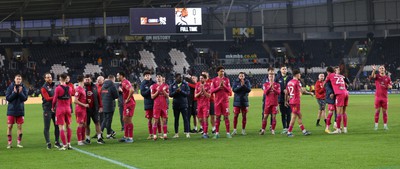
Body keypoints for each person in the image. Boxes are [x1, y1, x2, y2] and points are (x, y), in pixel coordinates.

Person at [285, 69, 313, 137]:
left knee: (299, 115)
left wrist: (286, 101)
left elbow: (286, 92)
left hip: (291, 101)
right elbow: (302, 91)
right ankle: (289, 132)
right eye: (299, 74)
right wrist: (310, 93)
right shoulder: (297, 82)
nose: (300, 75)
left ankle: (304, 131)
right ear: (297, 75)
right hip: (296, 101)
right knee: (294, 117)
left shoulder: (289, 82)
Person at [6, 74, 28, 148]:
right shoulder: (10, 87)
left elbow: (25, 98)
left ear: (21, 80)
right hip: (11, 110)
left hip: (20, 110)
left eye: (20, 79)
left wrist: (20, 93)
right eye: (17, 79)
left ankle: (18, 143)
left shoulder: (24, 87)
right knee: (9, 126)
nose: (18, 80)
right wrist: (15, 93)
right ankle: (9, 143)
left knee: (19, 126)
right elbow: (8, 98)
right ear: (14, 79)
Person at [52, 73, 73, 150]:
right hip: (68, 108)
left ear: (60, 79)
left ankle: (64, 145)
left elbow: (54, 99)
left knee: (61, 127)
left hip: (60, 109)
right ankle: (69, 144)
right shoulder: (70, 88)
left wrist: (52, 107)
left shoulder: (58, 88)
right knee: (68, 126)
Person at [325, 66, 349, 134]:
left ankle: (338, 129)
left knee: (338, 113)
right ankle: (345, 129)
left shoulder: (330, 76)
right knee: (344, 112)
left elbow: (326, 83)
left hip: (339, 94)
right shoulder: (341, 76)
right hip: (345, 93)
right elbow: (347, 83)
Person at [210, 66, 232, 139]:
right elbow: (212, 91)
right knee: (218, 117)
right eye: (221, 71)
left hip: (225, 101)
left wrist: (224, 86)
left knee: (226, 117)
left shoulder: (227, 80)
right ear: (217, 72)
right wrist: (219, 87)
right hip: (217, 102)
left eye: (223, 71)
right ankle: (217, 133)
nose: (222, 72)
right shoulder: (214, 80)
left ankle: (228, 133)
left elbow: (229, 90)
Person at [40, 73, 61, 149]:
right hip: (47, 109)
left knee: (57, 126)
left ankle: (57, 142)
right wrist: (57, 97)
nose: (49, 78)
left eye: (50, 77)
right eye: (48, 77)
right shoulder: (43, 88)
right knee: (47, 127)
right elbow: (47, 98)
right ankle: (48, 143)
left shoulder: (55, 85)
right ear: (45, 79)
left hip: (55, 109)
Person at [83, 75, 104, 144]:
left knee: (97, 123)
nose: (87, 81)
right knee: (86, 124)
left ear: (91, 80)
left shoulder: (95, 87)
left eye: (88, 79)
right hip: (86, 109)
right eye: (86, 79)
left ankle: (99, 138)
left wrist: (100, 106)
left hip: (95, 108)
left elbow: (98, 97)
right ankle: (88, 139)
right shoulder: (82, 87)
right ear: (84, 80)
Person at [370, 65, 392, 130]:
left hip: (385, 97)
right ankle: (376, 126)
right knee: (377, 111)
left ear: (384, 69)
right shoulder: (377, 76)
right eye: (380, 68)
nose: (381, 69)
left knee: (385, 112)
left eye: (382, 68)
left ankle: (385, 126)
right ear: (379, 70)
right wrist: (373, 70)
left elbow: (390, 86)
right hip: (378, 97)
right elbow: (372, 76)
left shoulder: (387, 78)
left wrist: (389, 86)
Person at [169, 73, 191, 138]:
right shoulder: (172, 85)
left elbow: (187, 93)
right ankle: (176, 133)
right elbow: (170, 94)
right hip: (176, 104)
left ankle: (187, 132)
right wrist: (176, 92)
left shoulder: (185, 84)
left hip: (184, 104)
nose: (181, 78)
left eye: (181, 77)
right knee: (176, 119)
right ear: (176, 78)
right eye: (179, 77)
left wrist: (181, 91)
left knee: (186, 119)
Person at [260, 68, 280, 135]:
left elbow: (278, 92)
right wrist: (269, 87)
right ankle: (263, 130)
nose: (271, 77)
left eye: (272, 75)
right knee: (265, 117)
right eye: (270, 76)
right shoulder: (265, 84)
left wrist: (273, 89)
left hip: (275, 103)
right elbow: (265, 92)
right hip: (267, 103)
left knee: (274, 117)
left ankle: (273, 130)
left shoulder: (277, 84)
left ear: (274, 76)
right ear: (268, 77)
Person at [118, 72, 135, 143]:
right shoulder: (123, 83)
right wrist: (122, 91)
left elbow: (132, 90)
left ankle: (130, 138)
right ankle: (126, 136)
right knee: (124, 119)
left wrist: (128, 99)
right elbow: (127, 91)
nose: (117, 77)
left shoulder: (125, 82)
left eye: (118, 76)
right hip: (126, 104)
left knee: (128, 120)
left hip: (129, 104)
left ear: (121, 76)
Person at [151, 73, 169, 140]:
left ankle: (165, 134)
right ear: (156, 79)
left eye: (160, 77)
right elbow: (152, 96)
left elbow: (167, 96)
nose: (158, 78)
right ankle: (154, 135)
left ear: (162, 78)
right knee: (156, 120)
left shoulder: (166, 86)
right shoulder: (153, 86)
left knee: (164, 120)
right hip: (156, 106)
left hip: (164, 105)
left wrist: (163, 91)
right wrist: (157, 91)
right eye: (157, 77)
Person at [275, 65, 292, 134]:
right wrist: (282, 90)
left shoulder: (290, 77)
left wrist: (288, 91)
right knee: (283, 113)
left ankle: (288, 127)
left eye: (285, 69)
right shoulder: (277, 78)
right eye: (283, 69)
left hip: (289, 98)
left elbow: (292, 86)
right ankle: (284, 128)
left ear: (287, 70)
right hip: (281, 98)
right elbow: (275, 86)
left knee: (288, 113)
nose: (284, 70)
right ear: (280, 70)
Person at [140, 70, 157, 139]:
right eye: (146, 75)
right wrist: (149, 89)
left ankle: (156, 133)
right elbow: (143, 94)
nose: (148, 76)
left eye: (148, 75)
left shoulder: (154, 83)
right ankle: (150, 134)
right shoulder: (143, 84)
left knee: (156, 119)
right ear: (144, 77)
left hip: (155, 103)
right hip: (148, 104)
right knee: (149, 119)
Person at [195, 74, 211, 138]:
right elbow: (195, 96)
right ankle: (205, 131)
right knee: (200, 119)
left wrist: (204, 90)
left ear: (205, 79)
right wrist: (200, 92)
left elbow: (209, 96)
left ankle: (205, 133)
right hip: (199, 104)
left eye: (202, 78)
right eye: (200, 78)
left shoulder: (208, 86)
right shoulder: (197, 85)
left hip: (206, 104)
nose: (200, 79)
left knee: (205, 119)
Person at [74, 75, 88, 146]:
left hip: (83, 109)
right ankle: (79, 141)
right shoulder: (78, 89)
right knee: (80, 124)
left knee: (83, 124)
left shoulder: (83, 88)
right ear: (83, 80)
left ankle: (83, 139)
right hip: (80, 109)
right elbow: (75, 101)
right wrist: (84, 105)